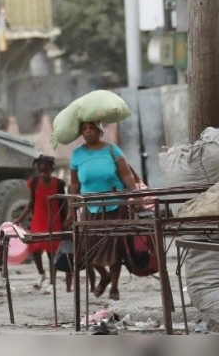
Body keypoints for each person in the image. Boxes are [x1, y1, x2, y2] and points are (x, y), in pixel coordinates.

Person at [67, 121, 137, 301]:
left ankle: (114, 286)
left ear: (99, 130)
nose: (88, 131)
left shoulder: (113, 150)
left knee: (115, 248)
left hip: (116, 206)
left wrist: (136, 196)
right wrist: (70, 210)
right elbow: (74, 184)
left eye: (91, 128)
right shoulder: (77, 155)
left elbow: (127, 174)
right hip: (91, 207)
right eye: (84, 129)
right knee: (86, 249)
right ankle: (104, 276)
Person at [13, 155, 69, 292]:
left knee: (52, 254)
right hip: (38, 220)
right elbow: (31, 203)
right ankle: (41, 274)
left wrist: (68, 220)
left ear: (51, 169)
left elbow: (64, 204)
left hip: (54, 222)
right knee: (36, 250)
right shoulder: (34, 183)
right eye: (40, 171)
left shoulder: (59, 184)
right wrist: (20, 218)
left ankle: (52, 283)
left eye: (46, 171)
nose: (43, 174)